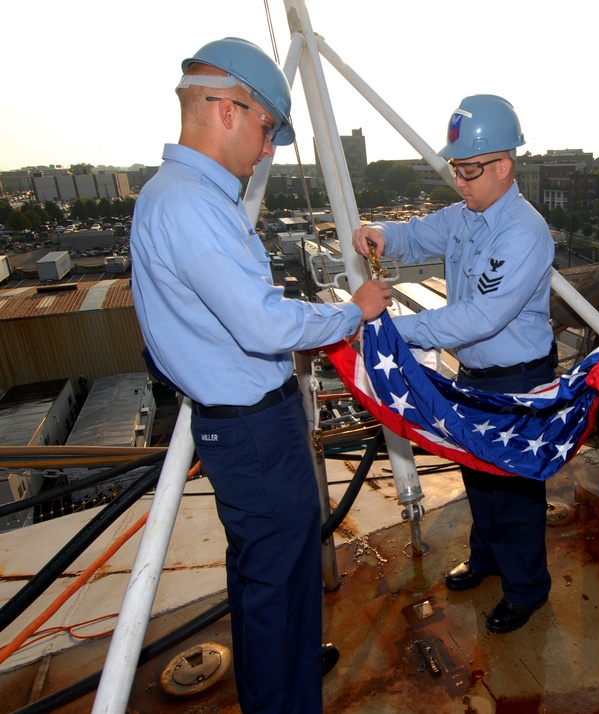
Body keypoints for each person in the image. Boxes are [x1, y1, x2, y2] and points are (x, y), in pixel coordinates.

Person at [130, 37, 393, 714]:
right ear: (226, 108)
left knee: (268, 574)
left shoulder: (180, 196)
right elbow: (265, 326)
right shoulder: (192, 205)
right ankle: (285, 695)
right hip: (252, 430)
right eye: (267, 128)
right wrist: (350, 312)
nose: (269, 148)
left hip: (239, 425)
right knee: (277, 580)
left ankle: (287, 667)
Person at [352, 94, 554, 634]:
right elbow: (414, 234)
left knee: (512, 489)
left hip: (518, 379)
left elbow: (479, 317)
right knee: (479, 477)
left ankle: (527, 589)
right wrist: (380, 233)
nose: (460, 181)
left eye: (469, 170)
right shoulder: (467, 215)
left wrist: (390, 328)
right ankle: (488, 559)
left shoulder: (523, 231)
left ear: (503, 166)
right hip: (474, 375)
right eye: (456, 170)